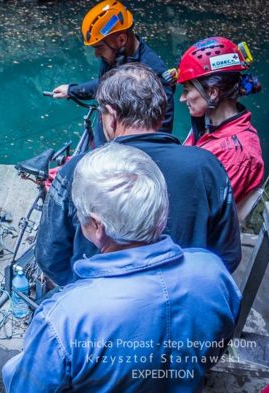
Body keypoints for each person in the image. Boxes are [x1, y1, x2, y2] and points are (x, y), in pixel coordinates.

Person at [3, 143, 242, 392]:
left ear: (97, 227)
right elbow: (215, 347)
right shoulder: (212, 272)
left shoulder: (66, 318)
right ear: (162, 206)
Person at [36, 63, 241, 287]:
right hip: (183, 298)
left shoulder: (79, 170)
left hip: (98, 303)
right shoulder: (207, 166)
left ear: (111, 116)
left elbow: (50, 256)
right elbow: (227, 255)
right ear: (161, 112)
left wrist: (81, 293)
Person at [50, 0, 174, 145]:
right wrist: (72, 90)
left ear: (121, 39)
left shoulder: (155, 73)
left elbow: (162, 130)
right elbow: (104, 85)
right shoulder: (113, 56)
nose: (96, 54)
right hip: (104, 143)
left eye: (99, 47)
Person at [175, 37, 264, 204]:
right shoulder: (208, 123)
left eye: (187, 90)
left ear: (212, 93)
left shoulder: (237, 154)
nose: (182, 98)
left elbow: (200, 211)